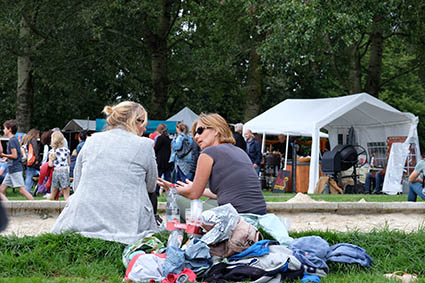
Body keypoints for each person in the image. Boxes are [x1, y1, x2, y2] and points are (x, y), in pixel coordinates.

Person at [51, 101, 158, 244]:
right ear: (136, 122)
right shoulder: (145, 145)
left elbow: (77, 184)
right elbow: (151, 186)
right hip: (127, 222)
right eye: (144, 123)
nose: (145, 128)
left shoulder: (91, 141)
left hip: (82, 217)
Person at [158, 113, 266, 216]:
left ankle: (185, 235)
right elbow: (222, 193)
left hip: (234, 218)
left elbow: (194, 194)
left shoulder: (208, 153)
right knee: (211, 201)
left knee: (176, 198)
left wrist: (172, 188)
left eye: (200, 131)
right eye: (194, 133)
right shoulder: (240, 152)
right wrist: (196, 188)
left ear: (216, 131)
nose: (196, 137)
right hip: (258, 214)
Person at [0, 120, 34, 201]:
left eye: (4, 128)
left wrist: (3, 155)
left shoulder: (12, 140)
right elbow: (17, 155)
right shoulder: (14, 140)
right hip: (11, 169)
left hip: (15, 169)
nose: (3, 130)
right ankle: (7, 207)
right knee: (1, 190)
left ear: (10, 129)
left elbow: (15, 156)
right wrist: (6, 158)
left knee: (22, 190)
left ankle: (36, 206)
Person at [47, 131, 71, 201]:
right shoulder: (66, 150)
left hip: (56, 172)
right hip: (64, 172)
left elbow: (50, 165)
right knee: (66, 195)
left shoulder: (52, 151)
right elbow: (69, 162)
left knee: (53, 194)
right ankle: (68, 209)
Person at [21, 129, 40, 193]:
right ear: (34, 134)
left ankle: (27, 190)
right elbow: (35, 150)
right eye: (38, 135)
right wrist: (37, 159)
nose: (38, 136)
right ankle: (27, 191)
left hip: (26, 161)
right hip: (31, 160)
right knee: (30, 175)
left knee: (28, 175)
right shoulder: (33, 140)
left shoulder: (25, 140)